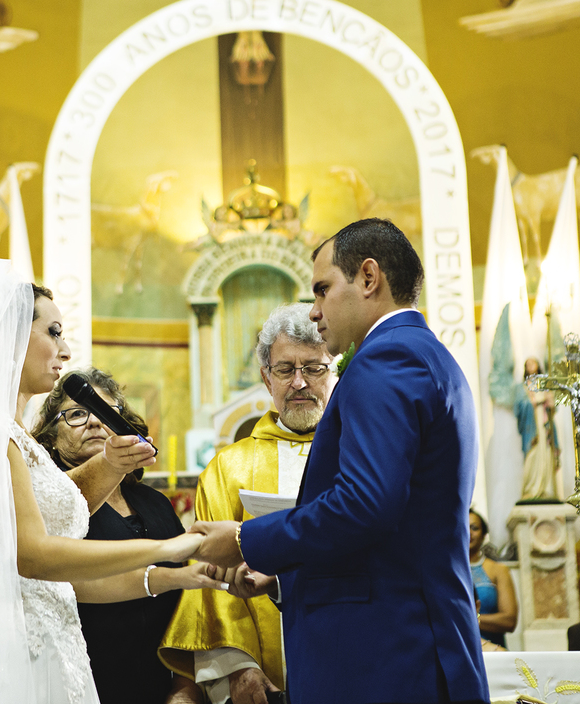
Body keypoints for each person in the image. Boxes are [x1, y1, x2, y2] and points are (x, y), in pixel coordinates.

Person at [191, 218, 489, 704]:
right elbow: (395, 533)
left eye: (323, 290)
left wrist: (247, 538)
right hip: (408, 636)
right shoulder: (427, 354)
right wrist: (284, 576)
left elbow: (365, 504)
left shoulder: (385, 358)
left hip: (385, 654)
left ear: (369, 278)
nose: (314, 310)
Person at [0, 259, 203, 704]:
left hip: (56, 641)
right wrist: (171, 547)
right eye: (54, 333)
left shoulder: (14, 434)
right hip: (18, 647)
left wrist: (172, 578)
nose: (65, 351)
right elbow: (34, 556)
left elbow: (61, 575)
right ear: (11, 336)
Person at [161, 303, 335, 704]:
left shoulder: (360, 455)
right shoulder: (228, 467)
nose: (299, 382)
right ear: (265, 378)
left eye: (313, 368)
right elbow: (210, 575)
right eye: (285, 369)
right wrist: (239, 667)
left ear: (335, 371)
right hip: (263, 676)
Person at [32, 367, 219, 704]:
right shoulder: (48, 505)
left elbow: (189, 597)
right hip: (85, 680)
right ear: (50, 437)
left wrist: (186, 682)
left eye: (106, 413)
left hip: (164, 682)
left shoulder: (155, 502)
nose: (93, 422)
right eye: (76, 414)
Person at [469, 510, 518, 648]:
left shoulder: (498, 570)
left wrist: (470, 619)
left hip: (493, 650)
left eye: (474, 528)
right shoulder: (446, 570)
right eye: (463, 527)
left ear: (484, 535)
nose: (469, 533)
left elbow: (509, 621)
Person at [517, 357, 559, 501]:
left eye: (533, 363)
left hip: (544, 426)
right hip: (532, 428)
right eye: (527, 364)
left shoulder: (545, 385)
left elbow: (554, 407)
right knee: (532, 457)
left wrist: (549, 401)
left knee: (546, 455)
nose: (530, 366)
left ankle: (546, 489)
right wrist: (533, 402)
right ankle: (531, 489)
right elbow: (520, 407)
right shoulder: (522, 388)